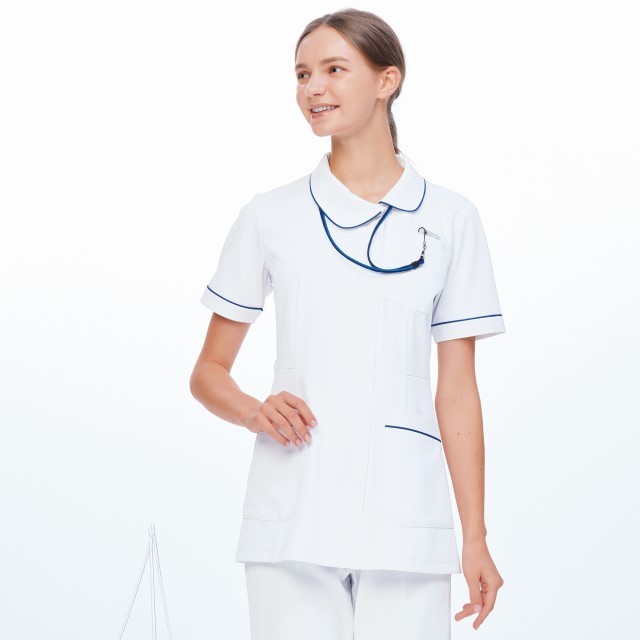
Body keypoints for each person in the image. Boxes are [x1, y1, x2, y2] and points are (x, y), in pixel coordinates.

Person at [190, 8, 506, 640]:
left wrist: (474, 535)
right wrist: (254, 411)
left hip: (405, 514)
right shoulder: (270, 216)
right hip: (293, 510)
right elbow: (207, 372)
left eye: (334, 69)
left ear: (388, 80)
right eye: (302, 73)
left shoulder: (450, 219)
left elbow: (457, 391)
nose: (313, 88)